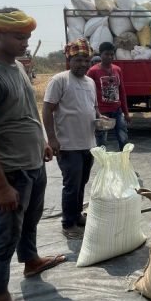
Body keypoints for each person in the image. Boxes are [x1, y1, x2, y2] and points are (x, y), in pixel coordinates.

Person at [0, 7, 63, 301]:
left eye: (28, 37)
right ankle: (0, 299)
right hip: (10, 171)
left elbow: (26, 111)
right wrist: (0, 186)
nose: (25, 42)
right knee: (5, 235)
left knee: (31, 220)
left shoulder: (18, 66)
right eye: (19, 37)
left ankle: (31, 261)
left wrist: (42, 143)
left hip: (33, 162)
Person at [42, 38, 100, 240]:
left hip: (88, 143)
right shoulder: (60, 80)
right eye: (78, 60)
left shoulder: (90, 82)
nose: (83, 64)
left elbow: (92, 108)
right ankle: (68, 223)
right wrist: (52, 139)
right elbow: (47, 109)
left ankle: (76, 215)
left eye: (86, 59)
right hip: (68, 144)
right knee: (72, 184)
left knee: (82, 182)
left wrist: (100, 118)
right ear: (69, 60)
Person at [87, 42, 131, 151]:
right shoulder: (93, 71)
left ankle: (125, 164)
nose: (110, 57)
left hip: (117, 110)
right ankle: (103, 166)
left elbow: (121, 91)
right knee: (101, 141)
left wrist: (126, 113)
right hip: (102, 113)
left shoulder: (117, 70)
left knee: (123, 138)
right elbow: (88, 94)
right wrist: (94, 113)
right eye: (107, 54)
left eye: (112, 54)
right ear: (100, 55)